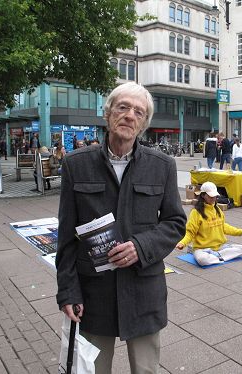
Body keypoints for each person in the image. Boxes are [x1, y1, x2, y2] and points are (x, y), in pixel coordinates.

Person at [56, 81, 186, 374]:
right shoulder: (76, 164)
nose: (129, 115)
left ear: (144, 124)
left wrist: (141, 247)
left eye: (138, 112)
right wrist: (67, 291)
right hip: (93, 294)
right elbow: (65, 236)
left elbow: (176, 223)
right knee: (93, 370)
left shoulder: (162, 165)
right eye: (123, 107)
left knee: (146, 370)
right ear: (108, 114)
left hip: (143, 290)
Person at [175, 182, 242, 266]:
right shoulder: (196, 212)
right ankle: (220, 257)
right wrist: (182, 243)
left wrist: (239, 231)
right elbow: (190, 232)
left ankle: (217, 256)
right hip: (202, 249)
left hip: (219, 247)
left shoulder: (217, 209)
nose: (213, 198)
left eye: (215, 196)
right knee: (203, 260)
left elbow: (223, 226)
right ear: (203, 195)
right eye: (210, 196)